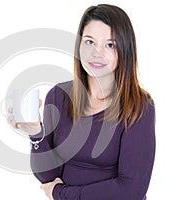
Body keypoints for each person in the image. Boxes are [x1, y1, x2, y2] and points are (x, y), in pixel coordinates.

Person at [8, 4, 155, 200]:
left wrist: (62, 194)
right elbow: (48, 176)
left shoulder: (139, 106)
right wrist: (36, 134)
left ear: (124, 50)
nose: (97, 53)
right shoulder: (58, 96)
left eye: (110, 45)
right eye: (89, 42)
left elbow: (131, 190)